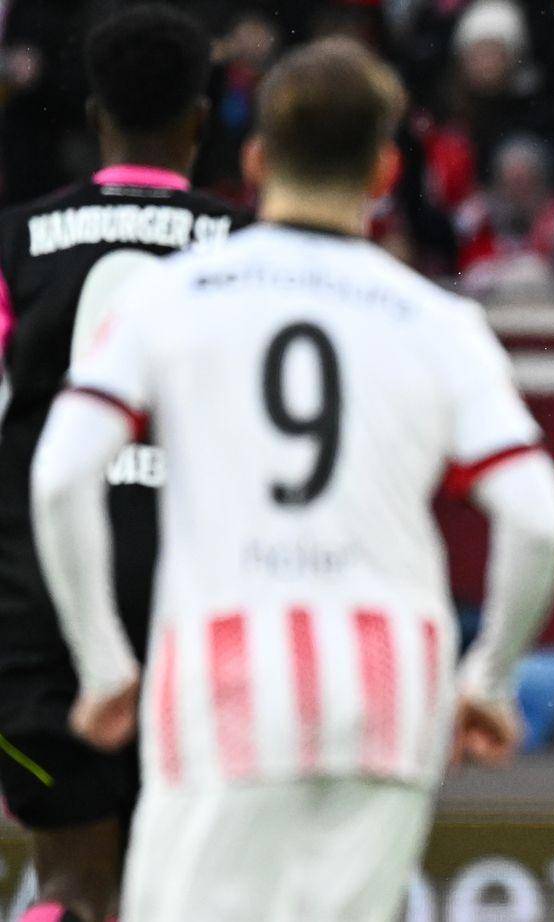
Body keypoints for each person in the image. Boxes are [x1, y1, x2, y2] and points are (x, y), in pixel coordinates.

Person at [28, 38, 554, 922]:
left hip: (223, 670)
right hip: (393, 685)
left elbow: (59, 476)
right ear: (386, 169)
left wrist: (99, 661)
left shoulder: (172, 297)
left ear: (253, 159)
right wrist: (491, 680)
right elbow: (539, 518)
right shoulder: (440, 321)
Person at [0, 8, 245, 920]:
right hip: (195, 611)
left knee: (71, 879)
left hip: (39, 604)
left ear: (95, 112)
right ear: (201, 117)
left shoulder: (16, 243)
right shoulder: (251, 250)